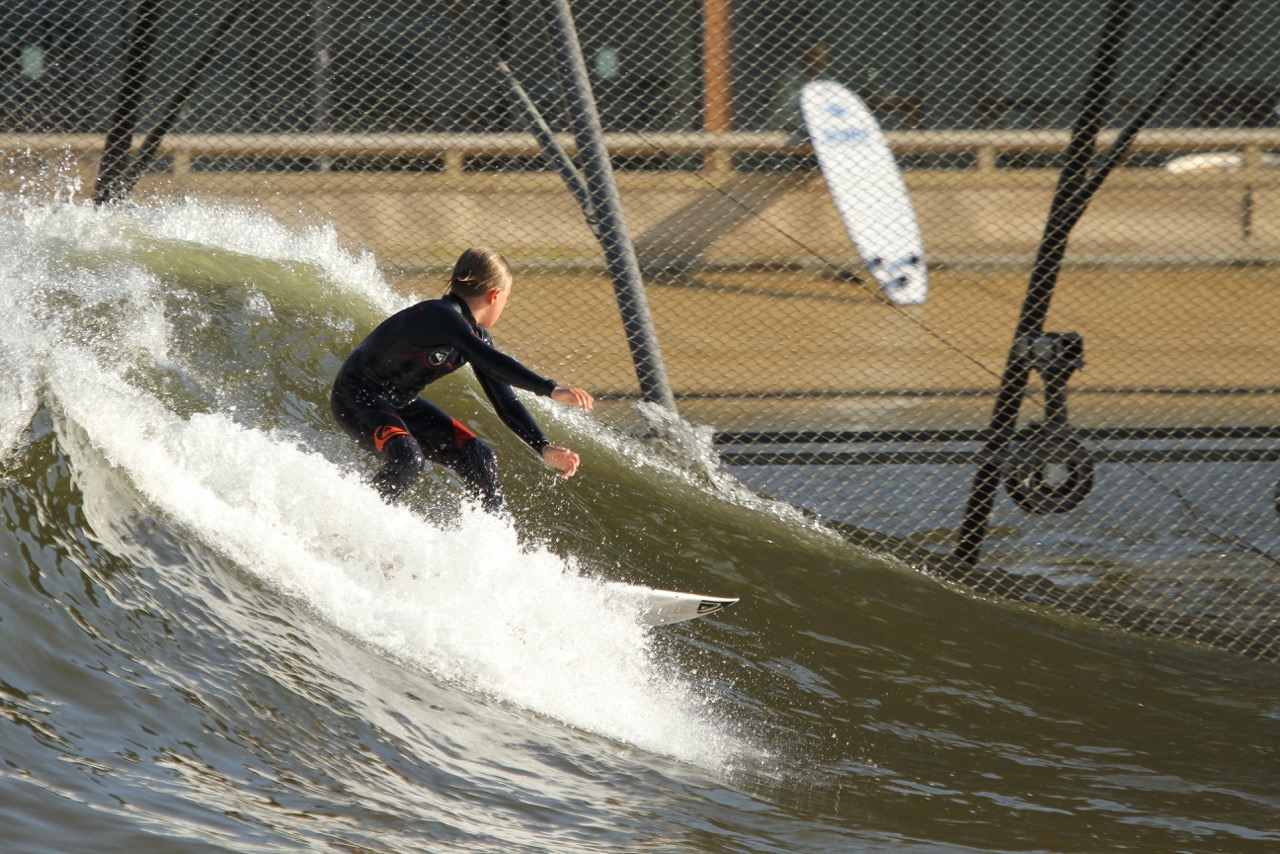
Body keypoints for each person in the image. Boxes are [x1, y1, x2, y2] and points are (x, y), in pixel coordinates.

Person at [330, 247, 594, 513]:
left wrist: (543, 446)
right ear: (495, 295)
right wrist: (551, 389)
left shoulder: (474, 336)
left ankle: (492, 543)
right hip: (358, 394)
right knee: (409, 458)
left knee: (480, 457)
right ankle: (360, 527)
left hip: (400, 404)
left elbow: (505, 401)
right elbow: (490, 360)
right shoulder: (439, 314)